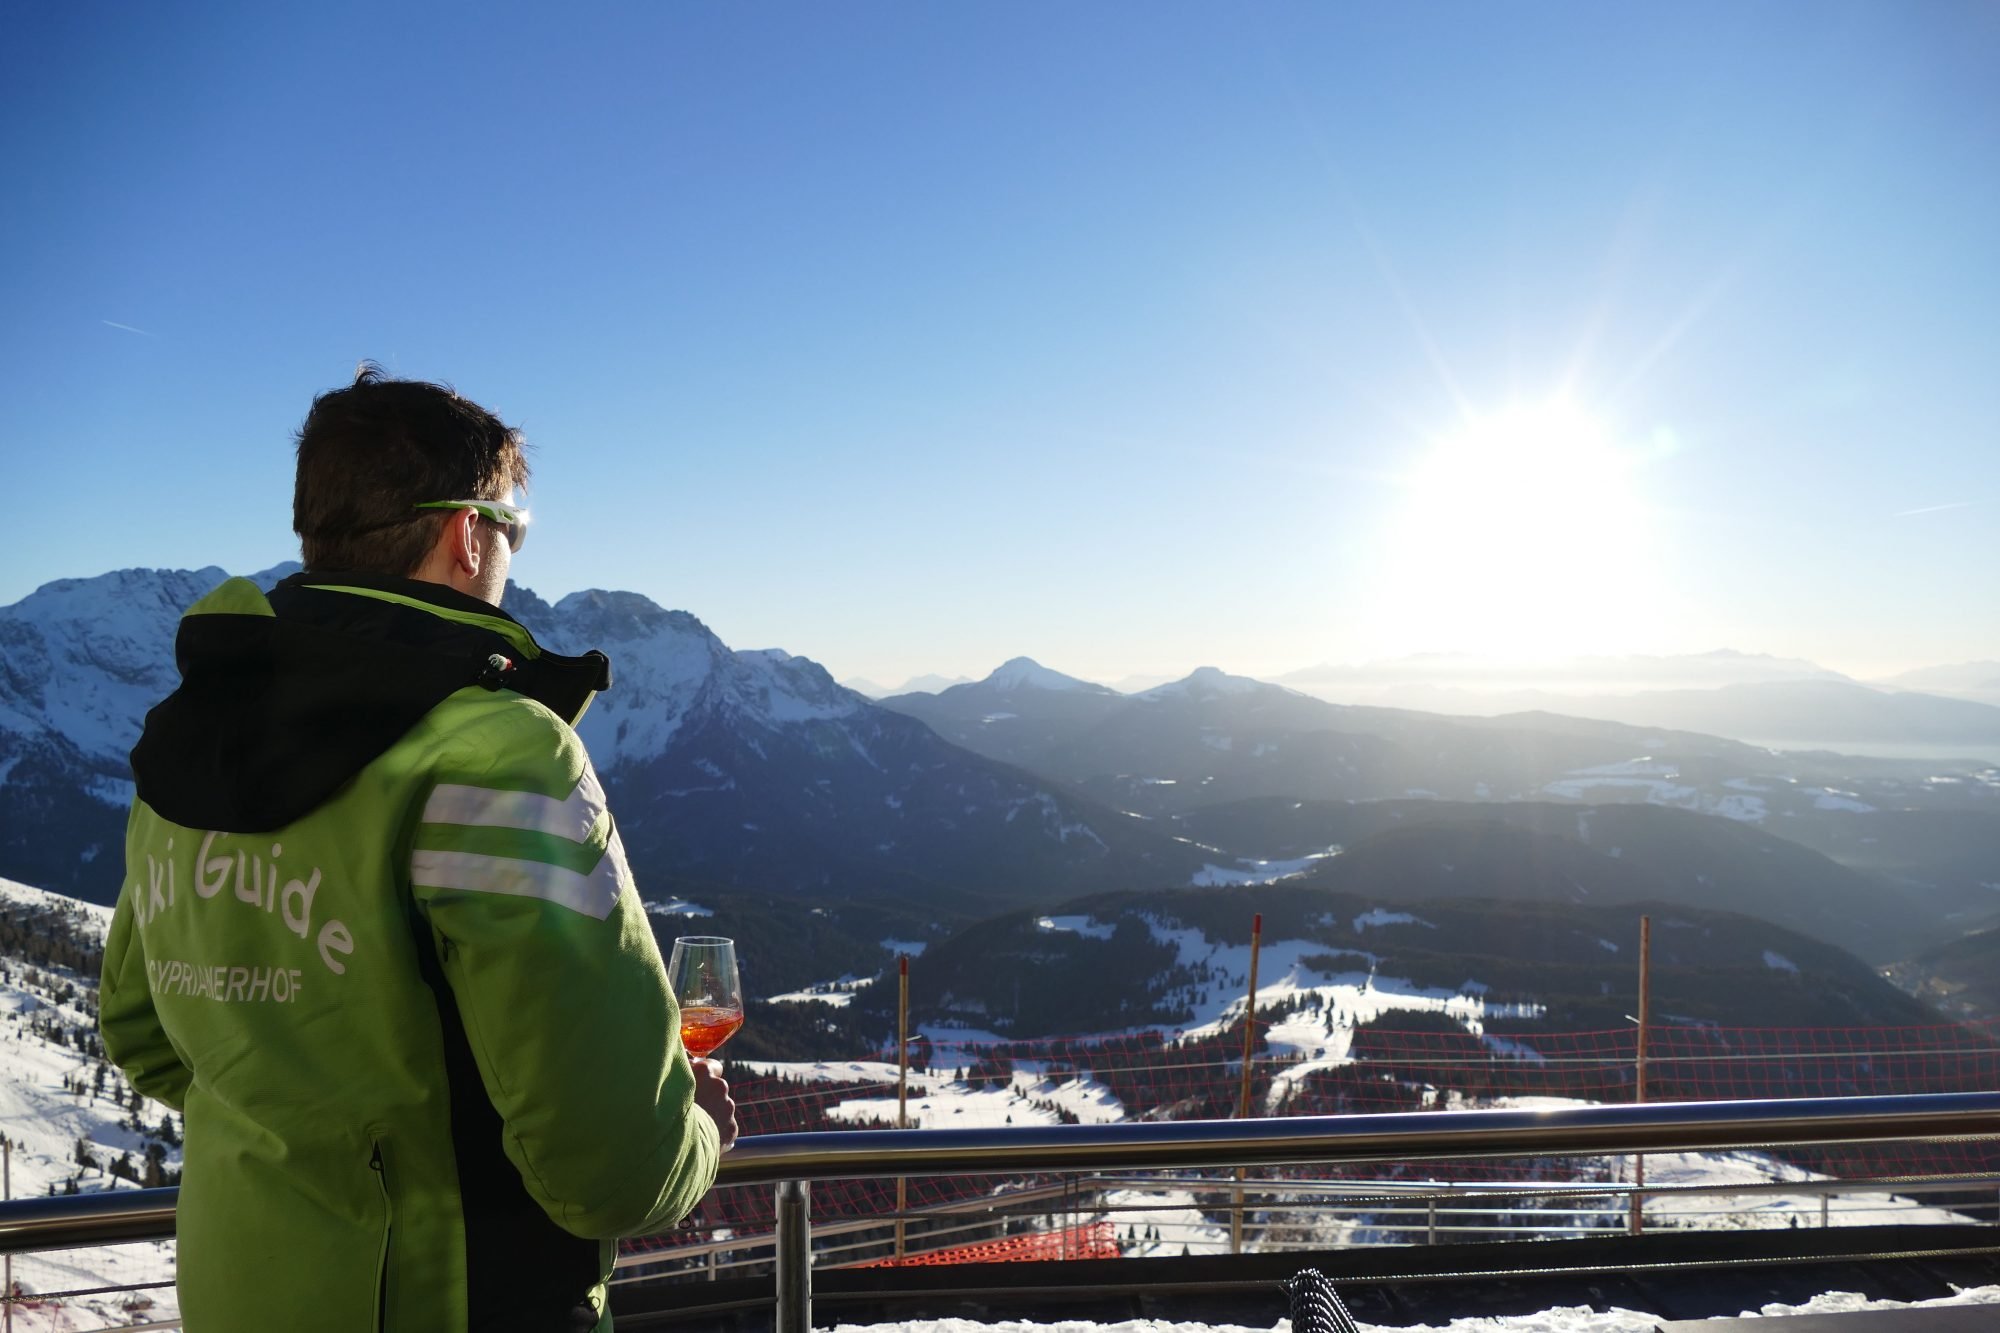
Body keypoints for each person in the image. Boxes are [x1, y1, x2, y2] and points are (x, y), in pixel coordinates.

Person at [100, 365, 735, 1332]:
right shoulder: (497, 753)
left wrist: (313, 1130)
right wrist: (697, 1136)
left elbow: (145, 1035)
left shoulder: (193, 733)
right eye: (511, 525)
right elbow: (612, 1168)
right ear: (464, 531)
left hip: (238, 1291)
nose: (510, 550)